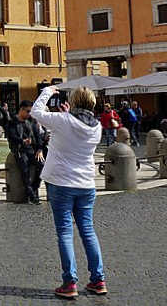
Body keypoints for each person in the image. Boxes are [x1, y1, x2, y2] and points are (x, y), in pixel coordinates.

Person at [30, 85, 106, 299]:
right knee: (88, 232)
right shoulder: (97, 127)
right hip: (86, 185)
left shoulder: (63, 121)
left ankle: (69, 283)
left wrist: (47, 92)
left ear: (73, 102)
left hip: (61, 183)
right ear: (91, 104)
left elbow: (36, 112)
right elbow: (74, 130)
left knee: (65, 232)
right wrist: (65, 115)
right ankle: (98, 280)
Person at [7, 101, 45, 204]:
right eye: (28, 111)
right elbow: (11, 136)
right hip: (19, 149)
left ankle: (33, 188)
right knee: (25, 169)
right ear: (21, 110)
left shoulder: (32, 121)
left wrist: (40, 149)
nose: (29, 113)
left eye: (31, 111)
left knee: (42, 165)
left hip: (31, 150)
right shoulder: (12, 121)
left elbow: (38, 137)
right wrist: (22, 141)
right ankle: (32, 196)